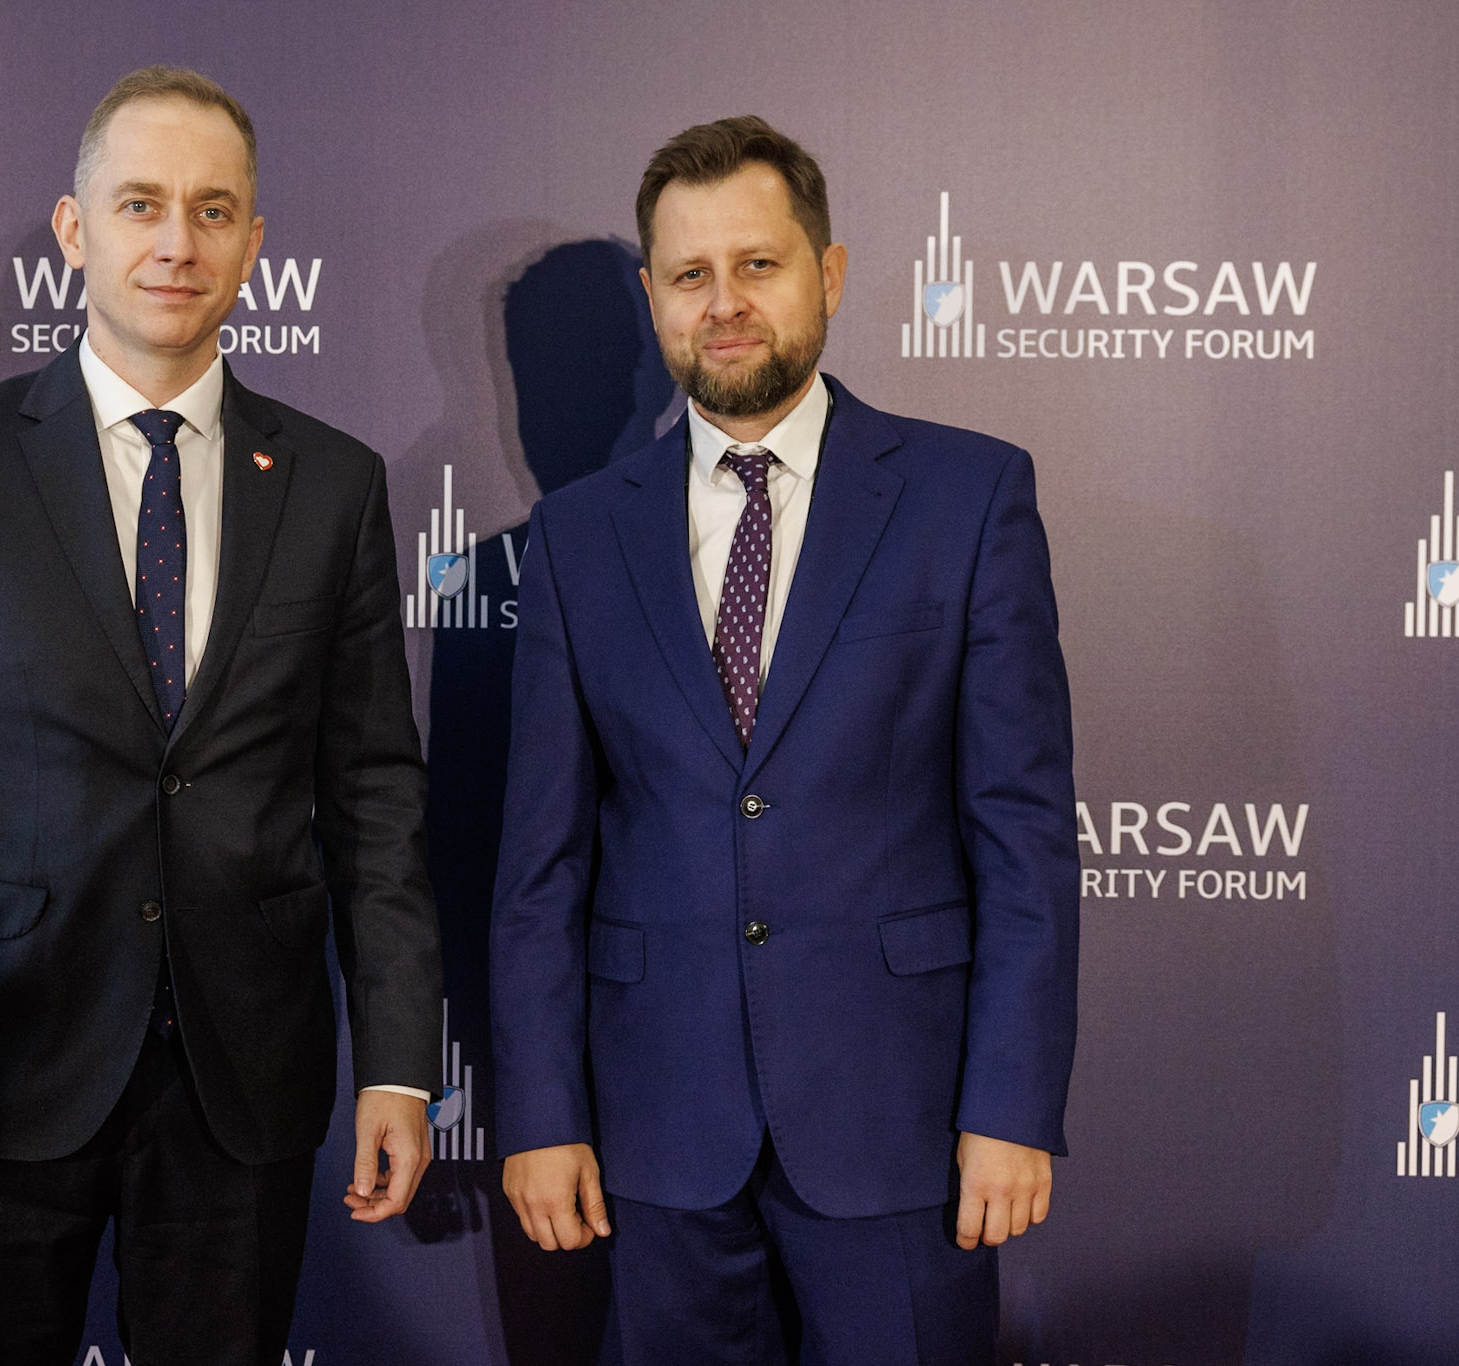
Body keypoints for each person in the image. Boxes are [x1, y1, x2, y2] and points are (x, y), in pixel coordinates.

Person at [0, 66, 443, 1366]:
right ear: (74, 228)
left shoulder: (334, 484)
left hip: (242, 1080)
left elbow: (375, 793)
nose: (176, 244)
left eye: (212, 211)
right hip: (0, 1064)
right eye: (140, 203)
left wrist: (396, 1058)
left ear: (254, 244)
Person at [491, 116, 1079, 1365]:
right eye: (690, 275)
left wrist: (1012, 1102)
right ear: (654, 299)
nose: (724, 304)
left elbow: (1022, 837)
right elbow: (540, 865)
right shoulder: (578, 537)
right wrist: (540, 1112)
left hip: (902, 1124)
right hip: (658, 1133)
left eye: (756, 264)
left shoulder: (967, 498)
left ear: (830, 272)